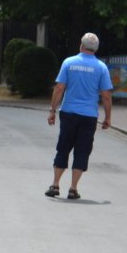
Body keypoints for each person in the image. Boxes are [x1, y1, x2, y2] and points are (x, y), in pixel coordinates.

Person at [45, 32, 113, 201]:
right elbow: (106, 95)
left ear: (81, 45)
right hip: (89, 115)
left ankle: (55, 184)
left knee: (63, 147)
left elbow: (59, 88)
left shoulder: (69, 62)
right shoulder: (101, 67)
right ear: (96, 49)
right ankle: (73, 188)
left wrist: (52, 110)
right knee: (82, 151)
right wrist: (107, 117)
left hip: (68, 112)